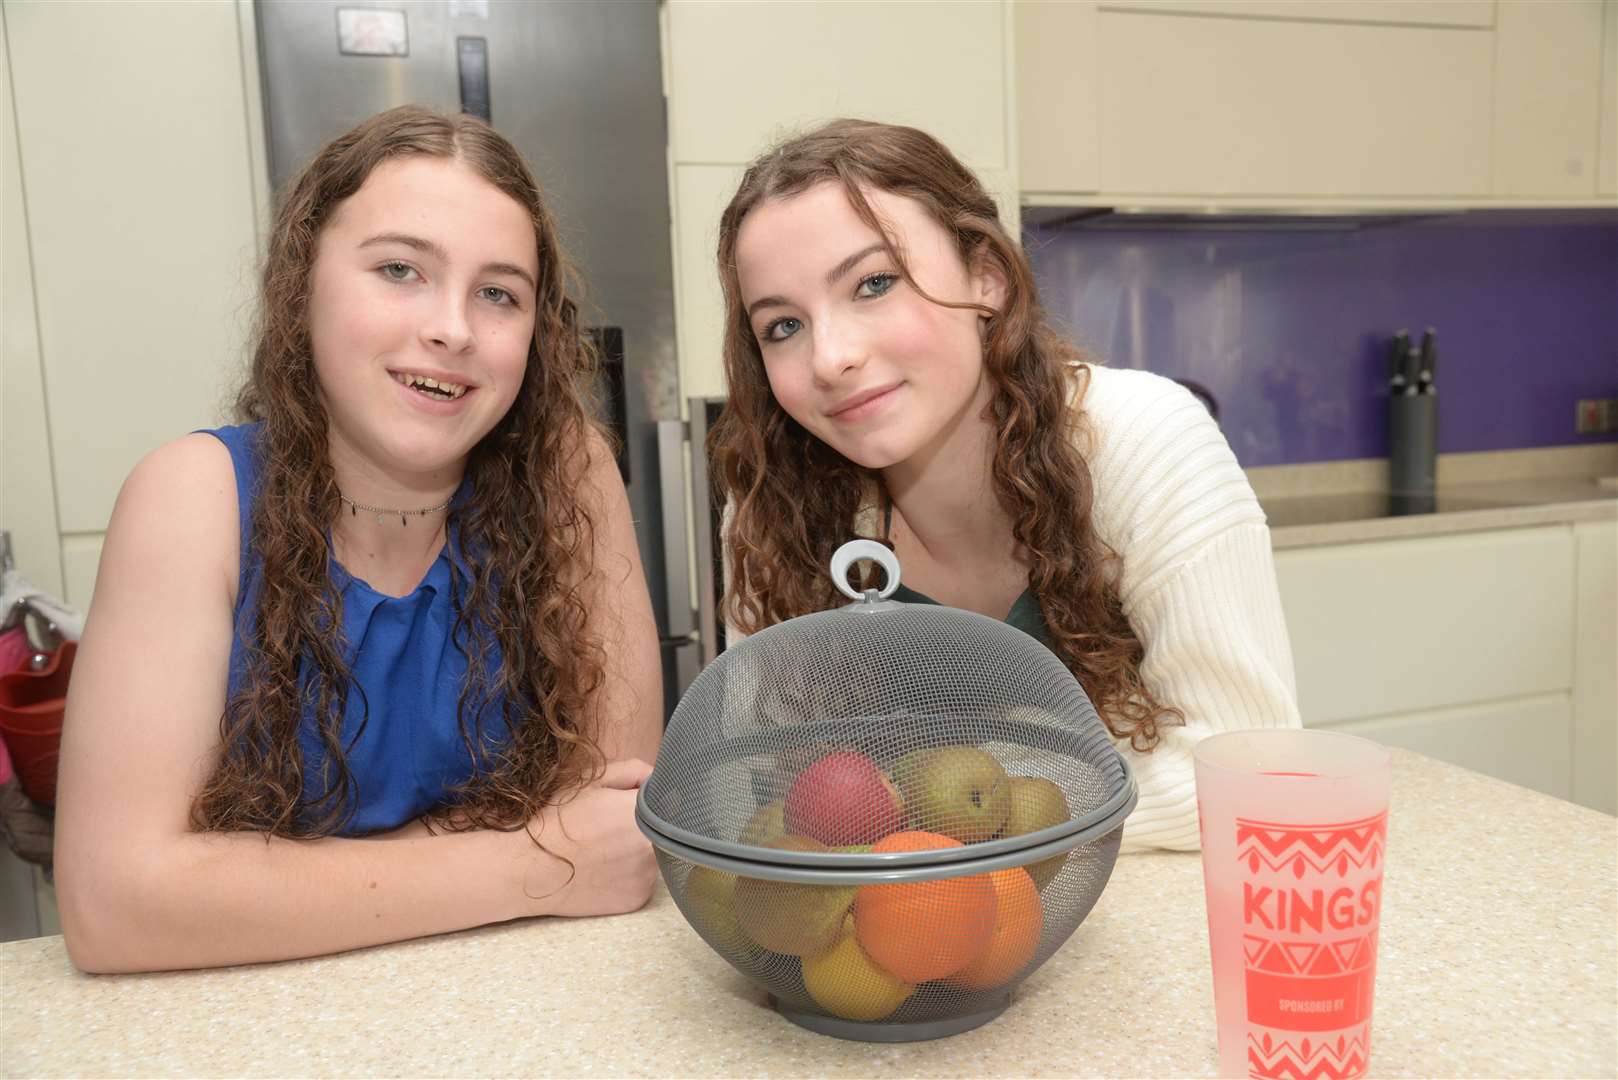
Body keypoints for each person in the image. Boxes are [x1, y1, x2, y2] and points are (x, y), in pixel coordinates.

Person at [54, 106, 663, 972]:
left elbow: (614, 830)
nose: (452, 328)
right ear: (303, 283)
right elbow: (116, 904)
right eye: (401, 270)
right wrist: (528, 861)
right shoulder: (194, 497)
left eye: (499, 293)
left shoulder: (569, 477)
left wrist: (260, 884)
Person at [709, 119, 1300, 852]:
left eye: (874, 283)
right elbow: (764, 796)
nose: (829, 358)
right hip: (902, 949)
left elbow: (1251, 772)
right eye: (783, 326)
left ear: (985, 276)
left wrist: (952, 814)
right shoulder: (772, 510)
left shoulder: (1144, 443)